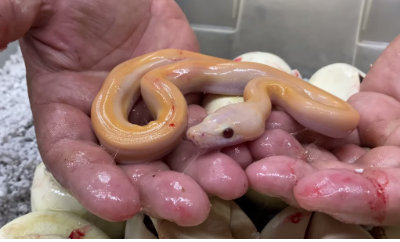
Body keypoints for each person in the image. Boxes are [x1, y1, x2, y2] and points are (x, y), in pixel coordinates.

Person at [1, 0, 400, 227]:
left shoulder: (262, 91)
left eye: (224, 133)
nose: (202, 134)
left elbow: (343, 118)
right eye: (217, 129)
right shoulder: (257, 92)